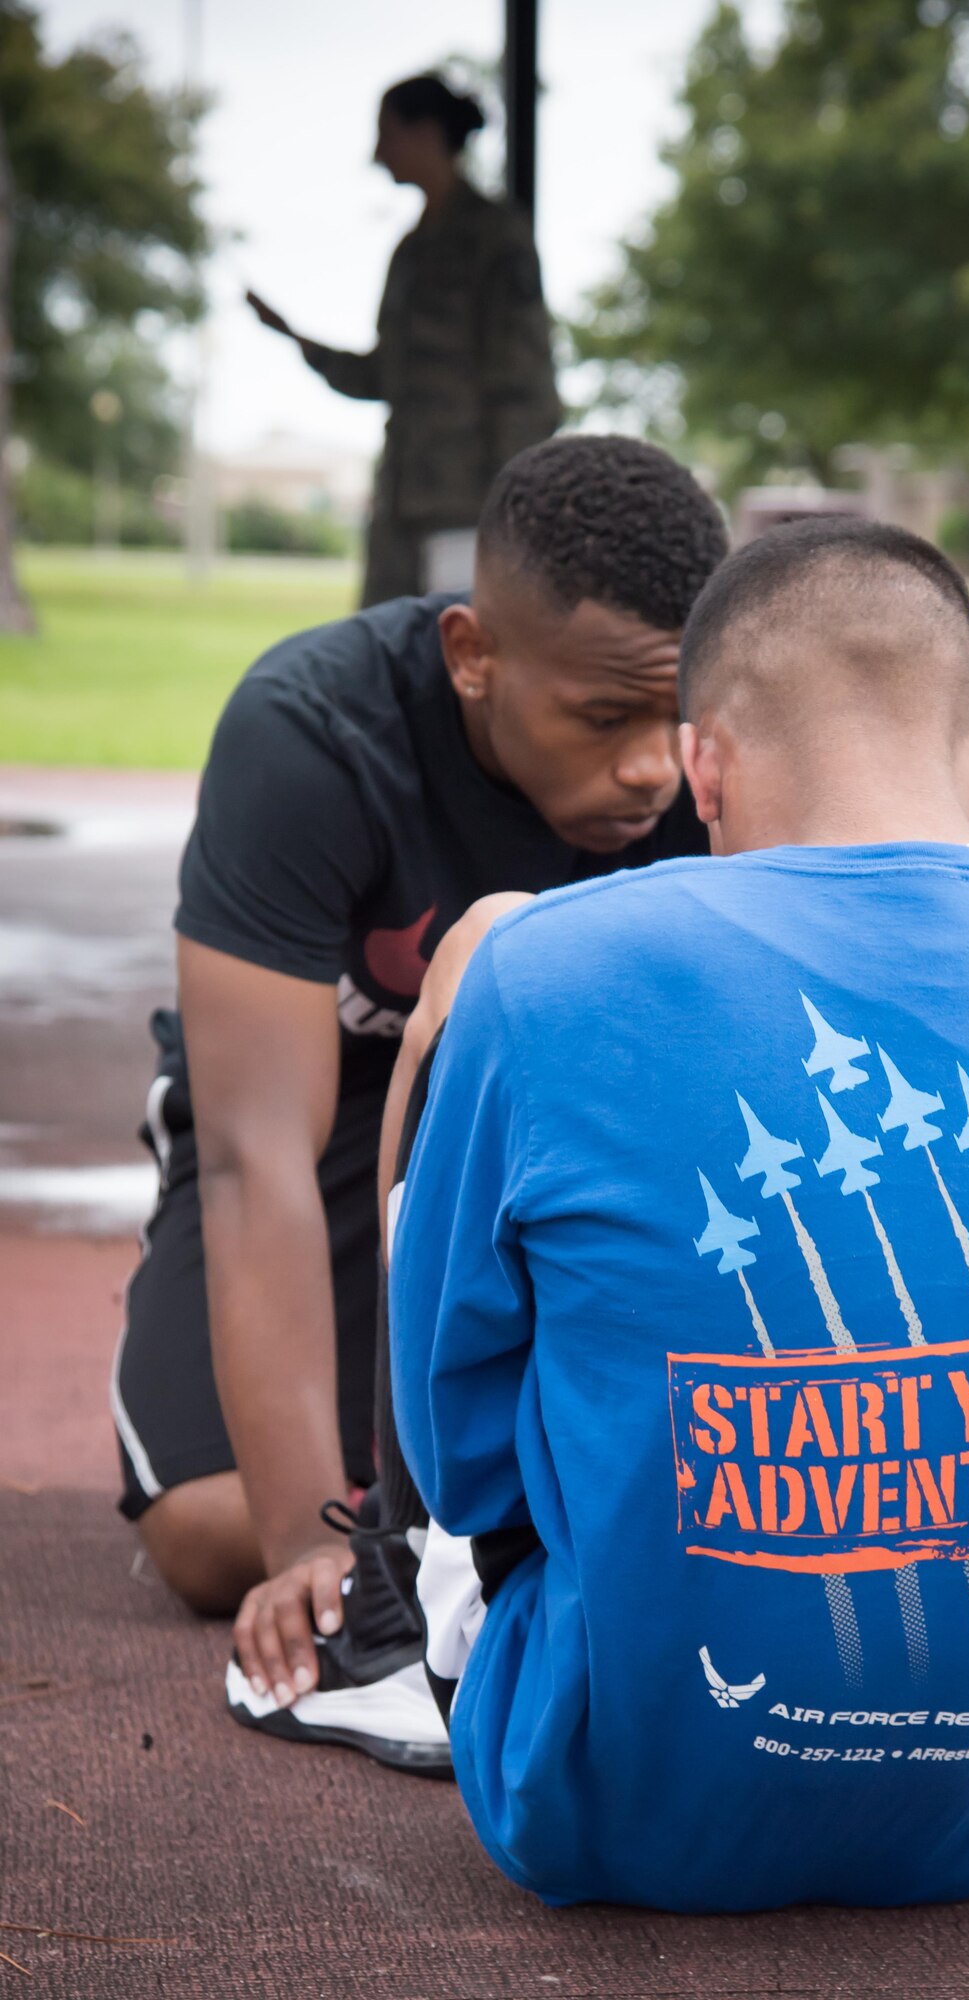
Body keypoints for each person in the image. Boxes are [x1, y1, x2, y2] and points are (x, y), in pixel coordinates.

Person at [389, 518, 969, 1910]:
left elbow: (456, 1449)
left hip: (594, 1811)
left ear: (703, 768)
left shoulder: (549, 977)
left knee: (481, 946)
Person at [111, 437, 729, 1772]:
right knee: (212, 1534)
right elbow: (250, 1152)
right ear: (470, 652)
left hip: (577, 1133)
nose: (651, 773)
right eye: (602, 718)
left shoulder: (716, 759)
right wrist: (307, 1557)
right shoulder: (311, 731)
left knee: (648, 1503)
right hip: (322, 1121)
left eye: (671, 721)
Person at [247, 74, 561, 607]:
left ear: (427, 132)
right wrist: (297, 341)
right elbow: (386, 376)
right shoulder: (411, 251)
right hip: (402, 509)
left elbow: (527, 386)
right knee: (387, 661)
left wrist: (504, 509)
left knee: (466, 663)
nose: (377, 153)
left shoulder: (494, 238)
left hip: (470, 511)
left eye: (387, 134)